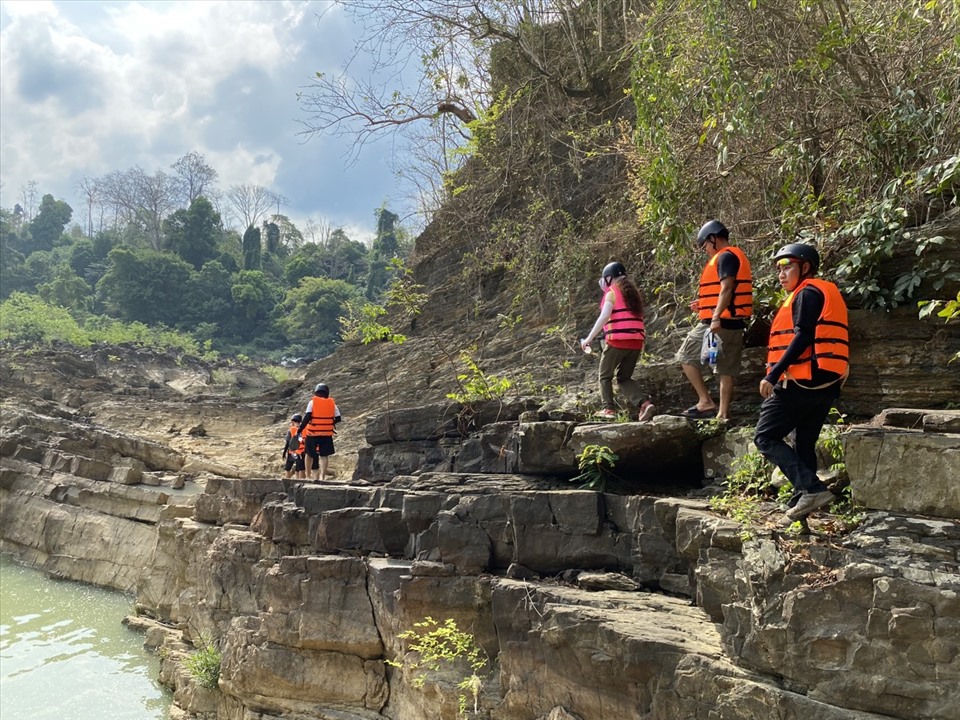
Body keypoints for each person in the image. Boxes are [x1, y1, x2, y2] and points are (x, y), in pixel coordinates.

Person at [754, 243, 849, 527]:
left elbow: (803, 336)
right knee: (804, 442)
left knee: (765, 437)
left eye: (788, 267)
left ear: (805, 267)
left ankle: (811, 489)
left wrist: (773, 374)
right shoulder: (822, 291)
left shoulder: (807, 293)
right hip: (827, 381)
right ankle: (802, 502)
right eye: (779, 269)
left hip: (803, 380)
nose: (781, 274)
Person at [676, 219, 753, 419]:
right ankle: (722, 414)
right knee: (726, 369)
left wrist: (715, 317)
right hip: (735, 324)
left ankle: (705, 401)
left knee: (685, 356)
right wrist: (704, 305)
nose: (705, 250)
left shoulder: (725, 257)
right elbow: (728, 292)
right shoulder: (734, 255)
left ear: (714, 238)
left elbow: (727, 288)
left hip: (719, 324)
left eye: (705, 245)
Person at [580, 261, 656, 421]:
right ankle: (644, 403)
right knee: (624, 377)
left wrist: (589, 338)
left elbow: (605, 316)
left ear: (608, 278)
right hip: (636, 342)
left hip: (618, 341)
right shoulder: (633, 293)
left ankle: (608, 409)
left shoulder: (612, 292)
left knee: (604, 375)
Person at [297, 383, 342, 481]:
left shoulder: (312, 402)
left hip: (313, 433)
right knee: (324, 455)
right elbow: (338, 418)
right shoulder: (332, 403)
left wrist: (300, 429)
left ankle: (308, 476)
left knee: (309, 454)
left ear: (316, 392)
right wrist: (330, 423)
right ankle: (322, 477)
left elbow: (307, 417)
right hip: (326, 434)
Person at [281, 413, 306, 480]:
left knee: (288, 468)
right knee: (300, 469)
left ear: (292, 421)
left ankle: (287, 483)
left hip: (292, 452)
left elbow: (288, 443)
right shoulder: (305, 429)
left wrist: (284, 453)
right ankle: (301, 482)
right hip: (301, 452)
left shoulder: (291, 430)